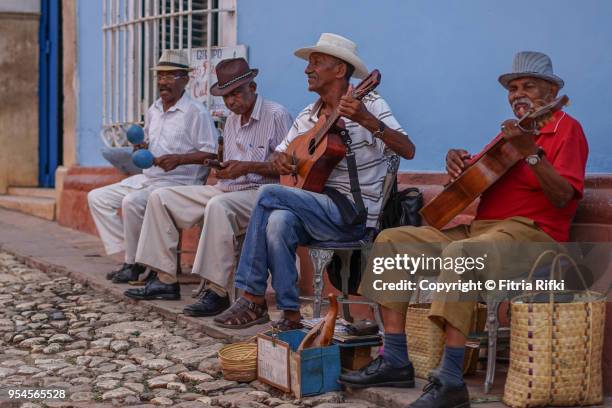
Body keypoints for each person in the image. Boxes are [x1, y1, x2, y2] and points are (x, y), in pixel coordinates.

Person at [342, 51, 588, 408]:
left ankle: (451, 378)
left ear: (551, 91)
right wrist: (456, 160)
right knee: (391, 241)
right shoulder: (509, 134)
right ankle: (395, 358)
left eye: (528, 86)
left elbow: (565, 197)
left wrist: (531, 153)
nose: (518, 93)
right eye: (512, 87)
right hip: (483, 231)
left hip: (533, 236)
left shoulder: (566, 128)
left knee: (462, 254)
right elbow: (475, 175)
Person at [213, 33, 415, 330]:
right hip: (316, 210)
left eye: (316, 63)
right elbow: (280, 157)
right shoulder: (308, 115)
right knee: (279, 221)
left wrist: (366, 120)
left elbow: (408, 150)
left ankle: (252, 294)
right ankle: (291, 314)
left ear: (340, 70)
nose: (307, 70)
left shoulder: (369, 102)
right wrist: (282, 161)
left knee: (269, 194)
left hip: (353, 213)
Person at [123, 58, 293, 303]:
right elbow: (230, 165)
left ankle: (217, 290)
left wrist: (245, 168)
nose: (231, 102)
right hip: (227, 189)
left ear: (252, 88)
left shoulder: (276, 115)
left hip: (263, 192)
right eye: (226, 97)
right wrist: (221, 168)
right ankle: (165, 280)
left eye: (236, 94)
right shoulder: (232, 119)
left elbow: (287, 170)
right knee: (160, 197)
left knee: (218, 206)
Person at [88, 50, 218, 283]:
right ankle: (135, 257)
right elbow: (148, 142)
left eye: (170, 76)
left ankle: (134, 263)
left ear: (185, 79)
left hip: (179, 184)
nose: (162, 82)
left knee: (132, 202)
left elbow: (211, 152)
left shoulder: (196, 112)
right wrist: (141, 147)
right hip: (149, 179)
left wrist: (179, 159)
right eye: (160, 77)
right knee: (98, 197)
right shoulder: (153, 110)